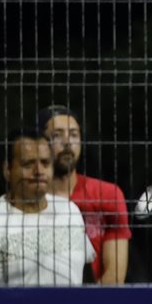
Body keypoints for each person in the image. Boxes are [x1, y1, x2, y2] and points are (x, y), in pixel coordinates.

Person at [0, 129, 93, 285]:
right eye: (28, 164)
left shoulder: (70, 211)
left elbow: (86, 275)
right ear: (7, 170)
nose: (39, 171)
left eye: (45, 163)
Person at [38, 104, 132, 284]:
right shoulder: (29, 200)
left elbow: (115, 275)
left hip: (96, 297)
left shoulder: (107, 195)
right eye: (57, 135)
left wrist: (90, 301)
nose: (68, 142)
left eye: (74, 135)